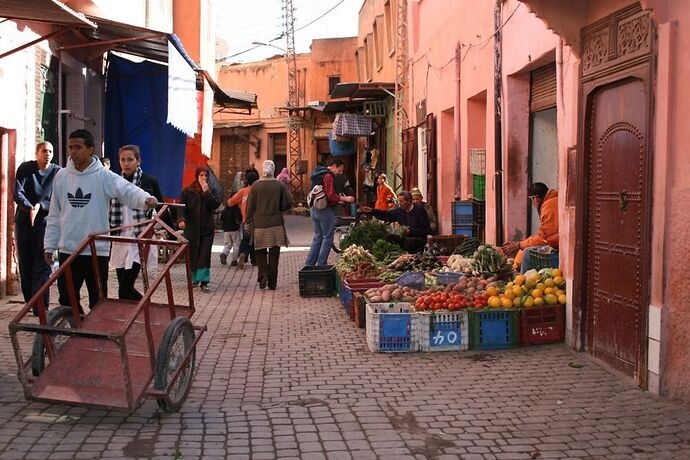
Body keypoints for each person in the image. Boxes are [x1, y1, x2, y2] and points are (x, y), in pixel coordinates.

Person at [44, 129, 157, 312]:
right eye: (70, 147)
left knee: (98, 301)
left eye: (78, 147)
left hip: (96, 249)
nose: (73, 151)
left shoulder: (103, 176)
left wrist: (146, 199)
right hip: (68, 248)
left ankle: (94, 334)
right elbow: (54, 214)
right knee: (66, 298)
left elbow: (126, 190)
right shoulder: (62, 176)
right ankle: (78, 330)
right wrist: (49, 245)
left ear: (91, 149)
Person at [108, 145, 164, 301]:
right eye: (122, 159)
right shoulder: (114, 182)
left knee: (124, 289)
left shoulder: (149, 181)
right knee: (124, 289)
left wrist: (173, 234)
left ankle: (145, 311)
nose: (126, 163)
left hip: (140, 238)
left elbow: (162, 208)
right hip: (120, 238)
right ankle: (141, 311)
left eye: (130, 159)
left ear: (138, 161)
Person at [14, 141, 61, 315]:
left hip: (46, 223)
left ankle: (41, 306)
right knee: (26, 263)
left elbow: (58, 197)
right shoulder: (26, 169)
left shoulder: (58, 172)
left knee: (42, 265)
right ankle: (30, 302)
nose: (47, 154)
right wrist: (29, 207)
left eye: (50, 151)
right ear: (36, 153)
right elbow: (17, 192)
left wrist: (40, 206)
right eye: (43, 151)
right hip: (24, 222)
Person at [245, 160, 293, 290]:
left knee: (260, 251)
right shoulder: (279, 185)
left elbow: (249, 207)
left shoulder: (255, 186)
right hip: (276, 224)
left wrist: (248, 222)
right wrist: (280, 209)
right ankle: (272, 283)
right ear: (273, 170)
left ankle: (263, 274)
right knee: (274, 254)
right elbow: (289, 201)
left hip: (259, 225)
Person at [304, 158, 355, 266]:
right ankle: (322, 264)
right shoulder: (328, 176)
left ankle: (309, 264)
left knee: (318, 237)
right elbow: (331, 196)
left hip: (314, 209)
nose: (340, 173)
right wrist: (346, 199)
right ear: (334, 166)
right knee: (327, 238)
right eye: (340, 170)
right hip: (324, 210)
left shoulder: (318, 173)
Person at [177, 167, 221, 292]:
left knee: (204, 255)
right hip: (192, 228)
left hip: (206, 229)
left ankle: (204, 282)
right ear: (196, 176)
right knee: (193, 254)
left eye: (205, 175)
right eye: (201, 175)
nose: (203, 178)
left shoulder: (211, 190)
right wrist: (181, 220)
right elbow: (181, 207)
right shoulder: (188, 191)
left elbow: (215, 205)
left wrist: (206, 192)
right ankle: (194, 279)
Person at [501, 182, 559, 272]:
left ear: (535, 199)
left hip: (557, 250)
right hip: (555, 244)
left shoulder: (548, 207)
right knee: (525, 249)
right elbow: (541, 235)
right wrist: (520, 246)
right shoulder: (552, 201)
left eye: (531, 200)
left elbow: (544, 238)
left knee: (528, 253)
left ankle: (522, 283)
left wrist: (519, 245)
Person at [360, 191, 431, 253]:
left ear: (409, 201)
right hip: (405, 237)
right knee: (389, 238)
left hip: (418, 239)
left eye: (401, 201)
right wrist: (372, 211)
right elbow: (387, 215)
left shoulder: (419, 211)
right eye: (399, 201)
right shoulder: (400, 211)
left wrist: (410, 231)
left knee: (409, 242)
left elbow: (426, 229)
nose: (400, 203)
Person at [228, 170, 259, 269]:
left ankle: (243, 254)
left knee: (246, 239)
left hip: (246, 220)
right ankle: (254, 260)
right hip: (258, 221)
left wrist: (240, 203)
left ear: (246, 181)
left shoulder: (243, 192)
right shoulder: (259, 191)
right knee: (254, 241)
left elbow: (230, 202)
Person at [220, 193, 242, 266]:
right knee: (236, 244)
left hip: (226, 229)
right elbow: (239, 218)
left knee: (227, 244)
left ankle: (224, 254)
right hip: (234, 229)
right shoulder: (237, 209)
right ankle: (234, 260)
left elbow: (221, 218)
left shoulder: (226, 209)